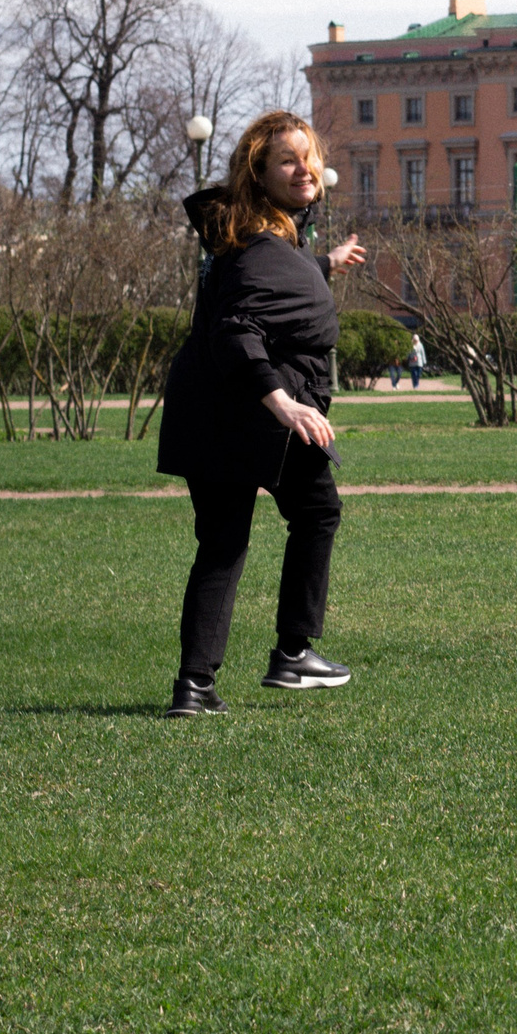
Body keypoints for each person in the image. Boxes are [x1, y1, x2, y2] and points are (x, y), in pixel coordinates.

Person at [155, 110, 368, 717]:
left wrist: (326, 264)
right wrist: (279, 401)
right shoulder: (257, 249)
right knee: (295, 518)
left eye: (308, 157)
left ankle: (195, 689)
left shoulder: (262, 241)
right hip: (253, 409)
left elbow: (277, 286)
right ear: (260, 173)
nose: (306, 169)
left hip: (220, 408)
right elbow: (237, 326)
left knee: (240, 536)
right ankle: (291, 655)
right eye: (287, 161)